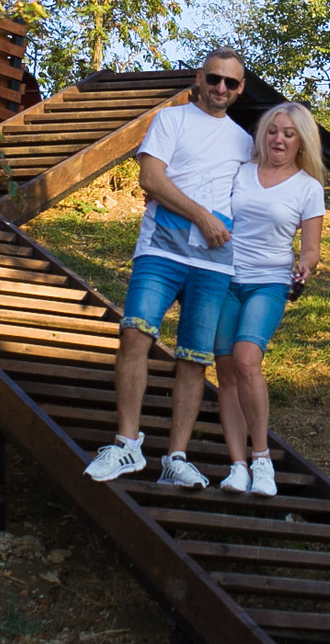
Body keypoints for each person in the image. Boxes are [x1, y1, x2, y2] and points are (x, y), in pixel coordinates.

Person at [83, 50, 251, 487]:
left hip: (214, 263)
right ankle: (126, 445)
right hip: (161, 250)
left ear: (241, 88)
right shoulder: (170, 121)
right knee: (135, 333)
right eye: (214, 79)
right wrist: (201, 216)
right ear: (199, 78)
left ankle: (176, 458)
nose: (220, 89)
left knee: (194, 359)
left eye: (230, 83)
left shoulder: (244, 142)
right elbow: (151, 179)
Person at [210, 101, 326, 497]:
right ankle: (237, 466)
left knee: (246, 360)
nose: (279, 138)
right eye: (273, 131)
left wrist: (306, 266)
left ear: (301, 143)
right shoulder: (240, 173)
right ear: (263, 134)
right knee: (224, 371)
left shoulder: (308, 188)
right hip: (225, 278)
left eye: (288, 134)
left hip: (269, 282)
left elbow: (311, 248)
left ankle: (262, 461)